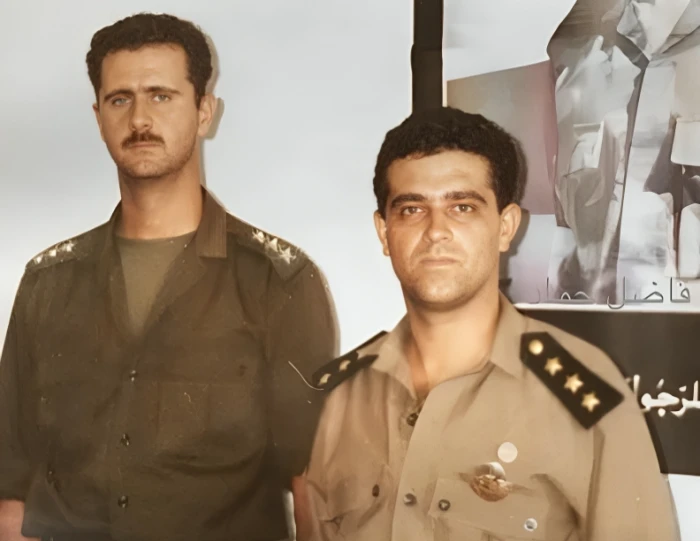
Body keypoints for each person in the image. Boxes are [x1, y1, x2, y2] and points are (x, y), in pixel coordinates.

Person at [0, 13, 336, 541]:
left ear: (204, 111)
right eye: (120, 99)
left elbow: (311, 480)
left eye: (161, 96)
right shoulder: (47, 284)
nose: (140, 118)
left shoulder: (277, 282)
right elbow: (12, 484)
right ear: (98, 116)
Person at [298, 107, 679, 541]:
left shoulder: (582, 395)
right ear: (384, 233)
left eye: (462, 207)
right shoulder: (340, 398)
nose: (436, 230)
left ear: (506, 227)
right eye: (412, 209)